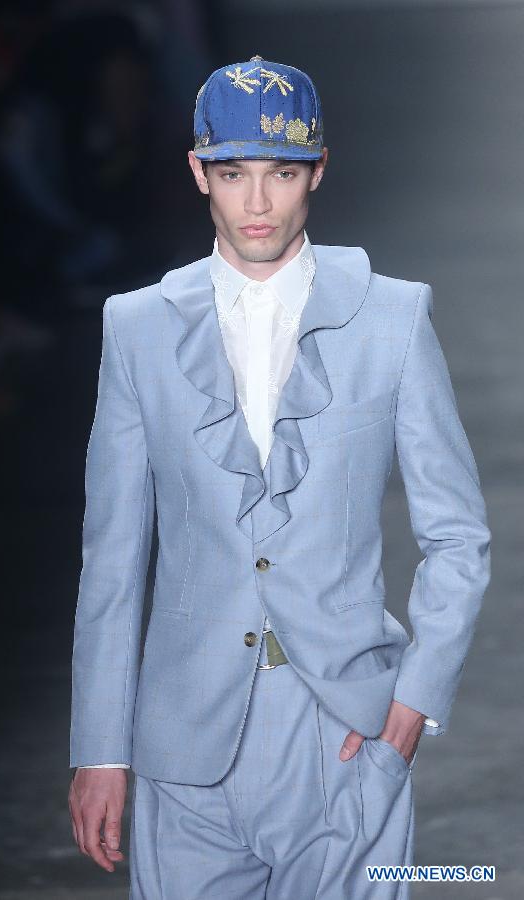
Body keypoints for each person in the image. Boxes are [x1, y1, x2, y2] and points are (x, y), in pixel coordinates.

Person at [68, 55, 491, 898]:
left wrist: (413, 704)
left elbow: (457, 535)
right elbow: (112, 557)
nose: (257, 202)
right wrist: (100, 749)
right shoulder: (138, 327)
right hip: (184, 743)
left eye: (282, 172)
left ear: (317, 172)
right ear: (199, 172)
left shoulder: (392, 316)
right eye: (233, 173)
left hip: (342, 733)